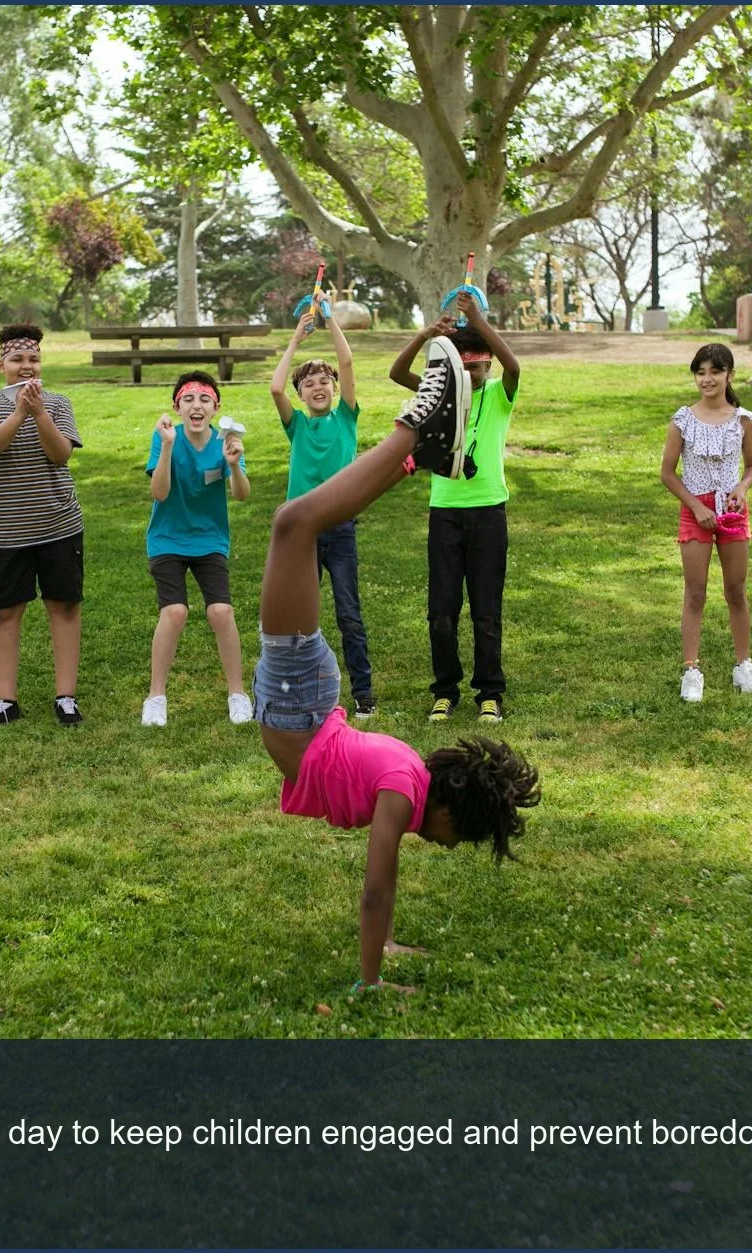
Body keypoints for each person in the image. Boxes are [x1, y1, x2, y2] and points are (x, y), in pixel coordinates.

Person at [256, 336, 540, 994]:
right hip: (299, 698)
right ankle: (416, 428)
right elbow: (377, 886)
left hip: (310, 701)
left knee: (300, 522)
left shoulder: (407, 774)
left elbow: (382, 885)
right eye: (457, 838)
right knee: (294, 523)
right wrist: (372, 976)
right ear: (447, 811)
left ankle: (418, 452)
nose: (444, 847)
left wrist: (385, 940)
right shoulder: (403, 791)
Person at [390, 292, 521, 725]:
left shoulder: (500, 396)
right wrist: (426, 336)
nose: (474, 373)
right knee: (441, 611)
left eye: (480, 366)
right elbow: (397, 373)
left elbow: (514, 366)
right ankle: (444, 691)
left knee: (486, 610)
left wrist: (478, 320)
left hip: (488, 513)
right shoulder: (444, 396)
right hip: (444, 512)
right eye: (465, 368)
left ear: (488, 365)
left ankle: (490, 693)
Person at [0, 324, 85, 726]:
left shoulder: (58, 403)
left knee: (64, 606)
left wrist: (39, 413)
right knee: (4, 612)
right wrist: (19, 412)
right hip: (5, 530)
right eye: (17, 359)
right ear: (2, 364)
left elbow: (60, 455)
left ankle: (65, 696)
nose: (26, 366)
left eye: (33, 359)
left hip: (59, 524)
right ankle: (6, 700)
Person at [269, 306, 378, 718]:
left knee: (349, 613)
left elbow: (347, 361)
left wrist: (330, 321)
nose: (318, 387)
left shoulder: (346, 419)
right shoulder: (295, 425)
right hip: (303, 534)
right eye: (309, 383)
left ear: (334, 389)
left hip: (341, 529)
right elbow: (275, 389)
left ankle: (363, 692)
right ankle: (298, 691)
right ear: (302, 395)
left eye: (324, 381)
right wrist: (297, 337)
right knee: (299, 617)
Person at [143, 372, 254, 727]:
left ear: (215, 408)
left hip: (209, 539)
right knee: (174, 612)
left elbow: (241, 495)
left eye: (205, 399)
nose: (197, 405)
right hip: (167, 538)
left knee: (221, 611)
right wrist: (168, 446)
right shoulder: (165, 437)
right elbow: (159, 493)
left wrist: (234, 466)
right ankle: (156, 697)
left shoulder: (226, 442)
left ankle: (237, 694)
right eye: (189, 399)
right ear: (177, 406)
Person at [659, 342, 752, 703]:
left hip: (733, 511)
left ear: (729, 375)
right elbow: (668, 474)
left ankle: (743, 664)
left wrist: (742, 487)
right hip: (696, 510)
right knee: (696, 592)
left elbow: (751, 467)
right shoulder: (682, 420)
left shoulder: (745, 421)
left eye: (715, 371)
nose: (707, 379)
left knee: (736, 590)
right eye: (700, 372)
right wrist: (696, 507)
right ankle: (691, 669)